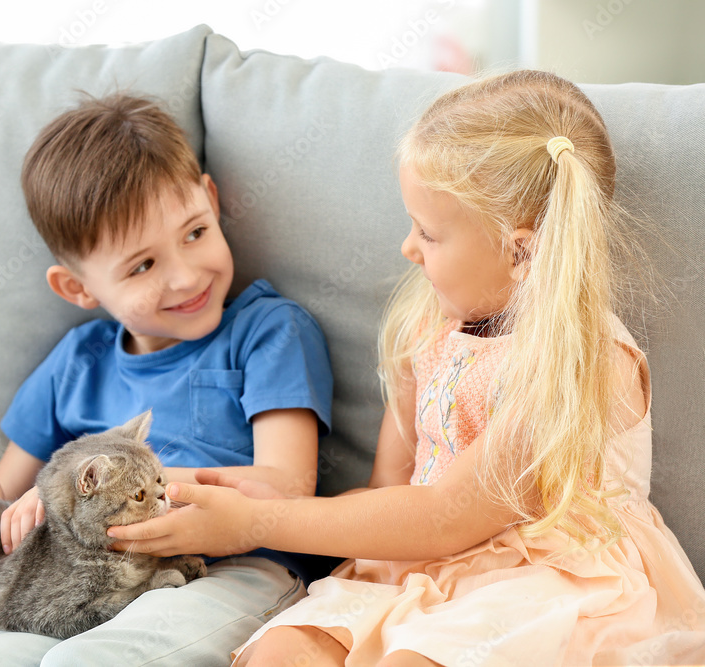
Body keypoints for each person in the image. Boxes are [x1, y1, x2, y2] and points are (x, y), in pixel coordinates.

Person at [109, 70, 705, 666]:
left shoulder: (584, 363)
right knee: (279, 652)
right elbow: (391, 495)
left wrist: (259, 523)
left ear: (522, 252)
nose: (408, 248)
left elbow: (447, 516)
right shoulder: (427, 332)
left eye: (428, 232)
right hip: (419, 565)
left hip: (546, 585)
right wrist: (262, 493)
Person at [0, 93, 334, 666]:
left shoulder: (270, 332)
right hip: (81, 583)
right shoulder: (75, 362)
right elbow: (13, 504)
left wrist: (140, 493)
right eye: (143, 265)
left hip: (235, 568)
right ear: (78, 289)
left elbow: (288, 487)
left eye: (195, 233)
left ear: (210, 198)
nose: (185, 276)